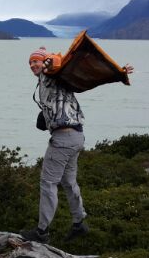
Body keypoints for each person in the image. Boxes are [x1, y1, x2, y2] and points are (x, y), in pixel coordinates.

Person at [21, 46, 134, 243]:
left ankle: (42, 232)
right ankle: (79, 222)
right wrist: (118, 73)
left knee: (48, 183)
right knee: (68, 182)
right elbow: (86, 77)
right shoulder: (51, 81)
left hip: (63, 139)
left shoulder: (50, 72)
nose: (33, 65)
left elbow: (55, 63)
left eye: (35, 61)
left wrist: (47, 58)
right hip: (76, 137)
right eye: (30, 62)